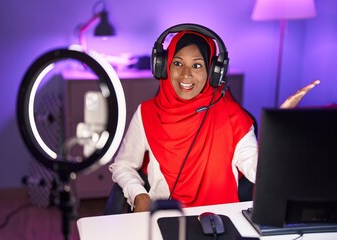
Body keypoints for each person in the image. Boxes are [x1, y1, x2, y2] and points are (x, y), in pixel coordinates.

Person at [109, 26, 320, 213]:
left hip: (219, 223)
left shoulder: (233, 117)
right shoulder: (146, 113)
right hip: (163, 219)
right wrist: (139, 195)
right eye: (178, 63)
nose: (185, 75)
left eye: (197, 65)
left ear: (213, 72)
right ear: (164, 66)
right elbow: (123, 165)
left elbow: (259, 173)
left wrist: (280, 128)